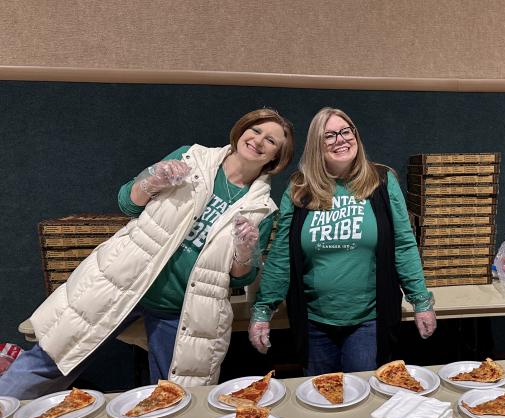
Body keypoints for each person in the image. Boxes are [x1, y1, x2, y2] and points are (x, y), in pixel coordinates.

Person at [0, 108, 294, 399]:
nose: (258, 140)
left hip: (181, 309)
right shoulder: (192, 156)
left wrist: (245, 251)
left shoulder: (262, 207)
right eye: (255, 130)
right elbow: (128, 202)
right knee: (54, 354)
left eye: (271, 141)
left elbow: (241, 276)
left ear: (275, 158)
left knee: (174, 396)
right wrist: (152, 181)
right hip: (122, 281)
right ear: (241, 131)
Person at [249, 107, 436, 375]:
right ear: (317, 144)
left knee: (364, 397)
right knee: (321, 398)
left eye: (346, 131)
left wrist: (421, 301)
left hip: (368, 321)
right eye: (329, 135)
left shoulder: (381, 181)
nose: (341, 139)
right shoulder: (300, 188)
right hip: (314, 322)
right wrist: (263, 309)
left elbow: (404, 245)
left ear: (356, 136)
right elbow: (281, 255)